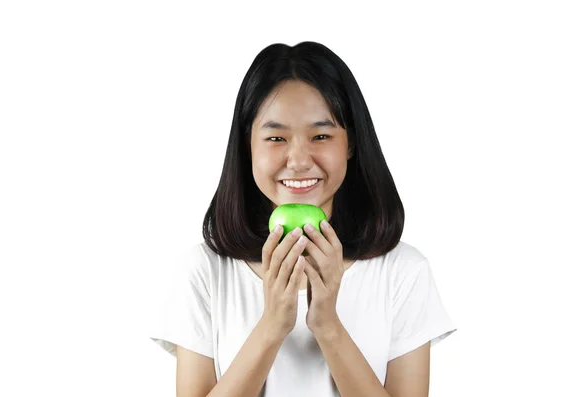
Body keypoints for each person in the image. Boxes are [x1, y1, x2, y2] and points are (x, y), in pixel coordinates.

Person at [149, 41, 457, 397]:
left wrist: (327, 325)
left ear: (351, 144)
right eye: (276, 137)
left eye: (321, 135)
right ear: (247, 144)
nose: (297, 160)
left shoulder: (403, 272)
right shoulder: (205, 272)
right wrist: (272, 326)